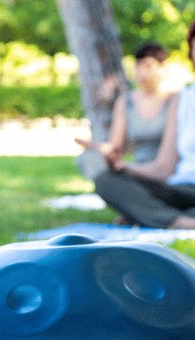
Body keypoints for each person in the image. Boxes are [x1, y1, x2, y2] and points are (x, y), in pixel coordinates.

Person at [91, 13, 195, 230]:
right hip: (179, 189)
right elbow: (164, 167)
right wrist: (124, 166)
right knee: (106, 180)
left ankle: (152, 216)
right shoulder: (181, 99)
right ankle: (182, 220)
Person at [75, 42, 175, 224]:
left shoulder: (175, 100)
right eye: (138, 66)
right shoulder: (126, 101)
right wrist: (103, 150)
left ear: (163, 68)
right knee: (92, 165)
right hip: (136, 170)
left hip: (168, 171)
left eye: (149, 66)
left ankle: (144, 213)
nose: (141, 72)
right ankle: (140, 210)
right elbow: (116, 145)